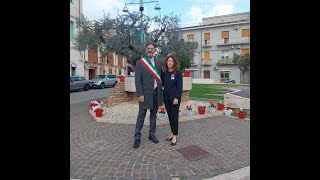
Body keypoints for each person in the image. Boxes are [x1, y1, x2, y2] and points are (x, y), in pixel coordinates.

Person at [133, 42, 163, 148]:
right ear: (146, 50)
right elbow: (137, 81)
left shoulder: (159, 63)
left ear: (154, 50)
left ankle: (152, 134)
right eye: (148, 48)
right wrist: (140, 94)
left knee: (153, 115)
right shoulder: (140, 63)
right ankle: (137, 137)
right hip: (145, 95)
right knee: (141, 116)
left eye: (152, 48)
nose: (150, 50)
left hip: (156, 93)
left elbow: (161, 79)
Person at [161, 55, 183, 146]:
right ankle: (172, 132)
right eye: (168, 61)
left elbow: (179, 86)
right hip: (166, 98)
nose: (170, 62)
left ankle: (174, 135)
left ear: (174, 63)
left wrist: (177, 97)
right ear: (166, 62)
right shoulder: (165, 73)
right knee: (170, 116)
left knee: (174, 117)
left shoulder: (177, 73)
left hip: (174, 99)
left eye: (171, 61)